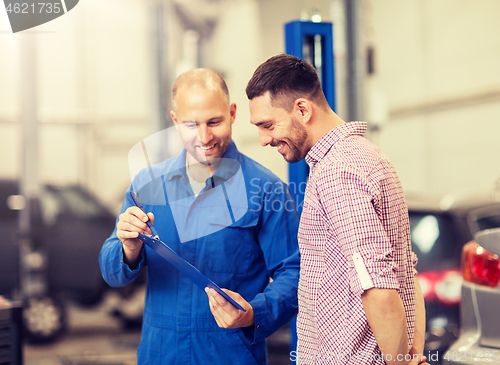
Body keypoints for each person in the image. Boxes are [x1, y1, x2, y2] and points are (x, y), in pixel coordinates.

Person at [100, 69, 301, 364]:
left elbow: (295, 273)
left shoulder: (265, 190)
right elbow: (111, 271)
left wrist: (255, 313)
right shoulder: (148, 185)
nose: (204, 137)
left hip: (230, 353)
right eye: (191, 125)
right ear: (174, 122)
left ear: (232, 113)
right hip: (161, 352)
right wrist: (128, 249)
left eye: (214, 122)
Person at [246, 54, 427, 365]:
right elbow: (406, 274)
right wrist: (411, 357)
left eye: (268, 125)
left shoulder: (337, 171)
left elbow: (377, 285)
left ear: (302, 109)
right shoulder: (369, 156)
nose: (264, 139)